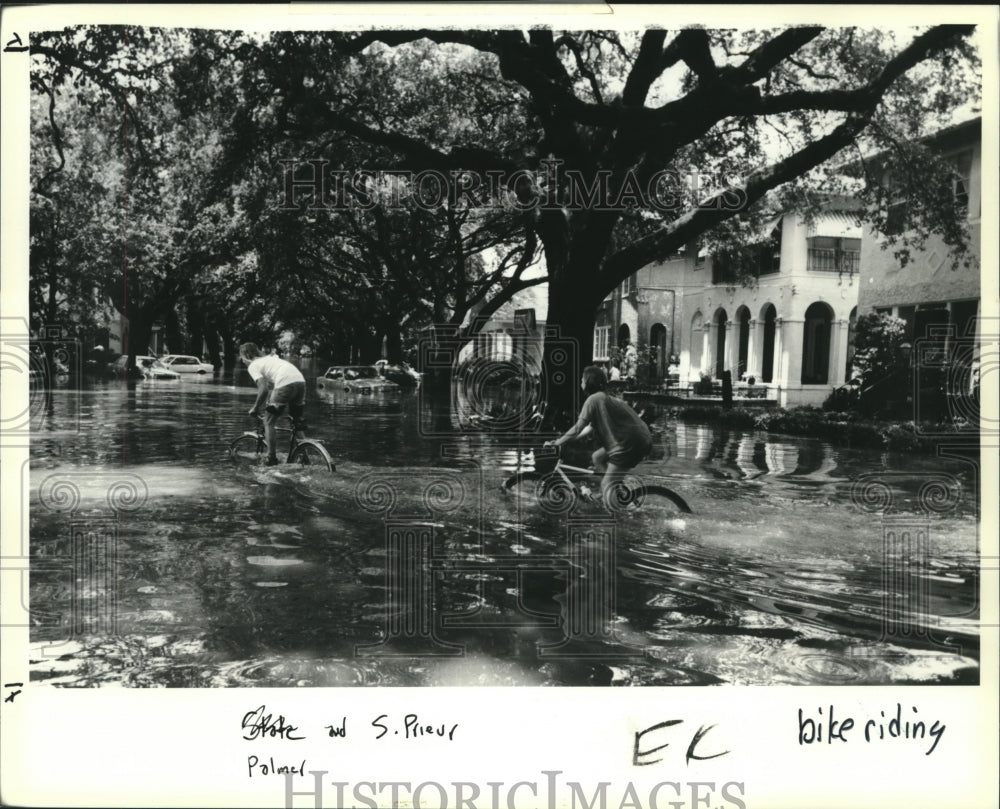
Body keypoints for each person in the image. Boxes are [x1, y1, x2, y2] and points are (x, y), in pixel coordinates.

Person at [544, 365, 653, 504]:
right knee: (597, 458)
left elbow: (578, 427)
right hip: (637, 439)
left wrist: (558, 442)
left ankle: (617, 516)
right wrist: (567, 440)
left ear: (588, 382)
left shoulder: (593, 399)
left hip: (629, 443)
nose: (580, 383)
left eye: (582, 380)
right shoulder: (603, 398)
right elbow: (588, 429)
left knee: (606, 482)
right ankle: (614, 491)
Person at [239, 342, 307, 466]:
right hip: (300, 381)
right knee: (296, 421)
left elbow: (264, 389)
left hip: (285, 383)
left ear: (246, 356)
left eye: (241, 357)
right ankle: (304, 456)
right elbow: (270, 388)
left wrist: (255, 408)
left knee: (268, 421)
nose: (241, 361)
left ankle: (271, 458)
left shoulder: (253, 365)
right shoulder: (269, 358)